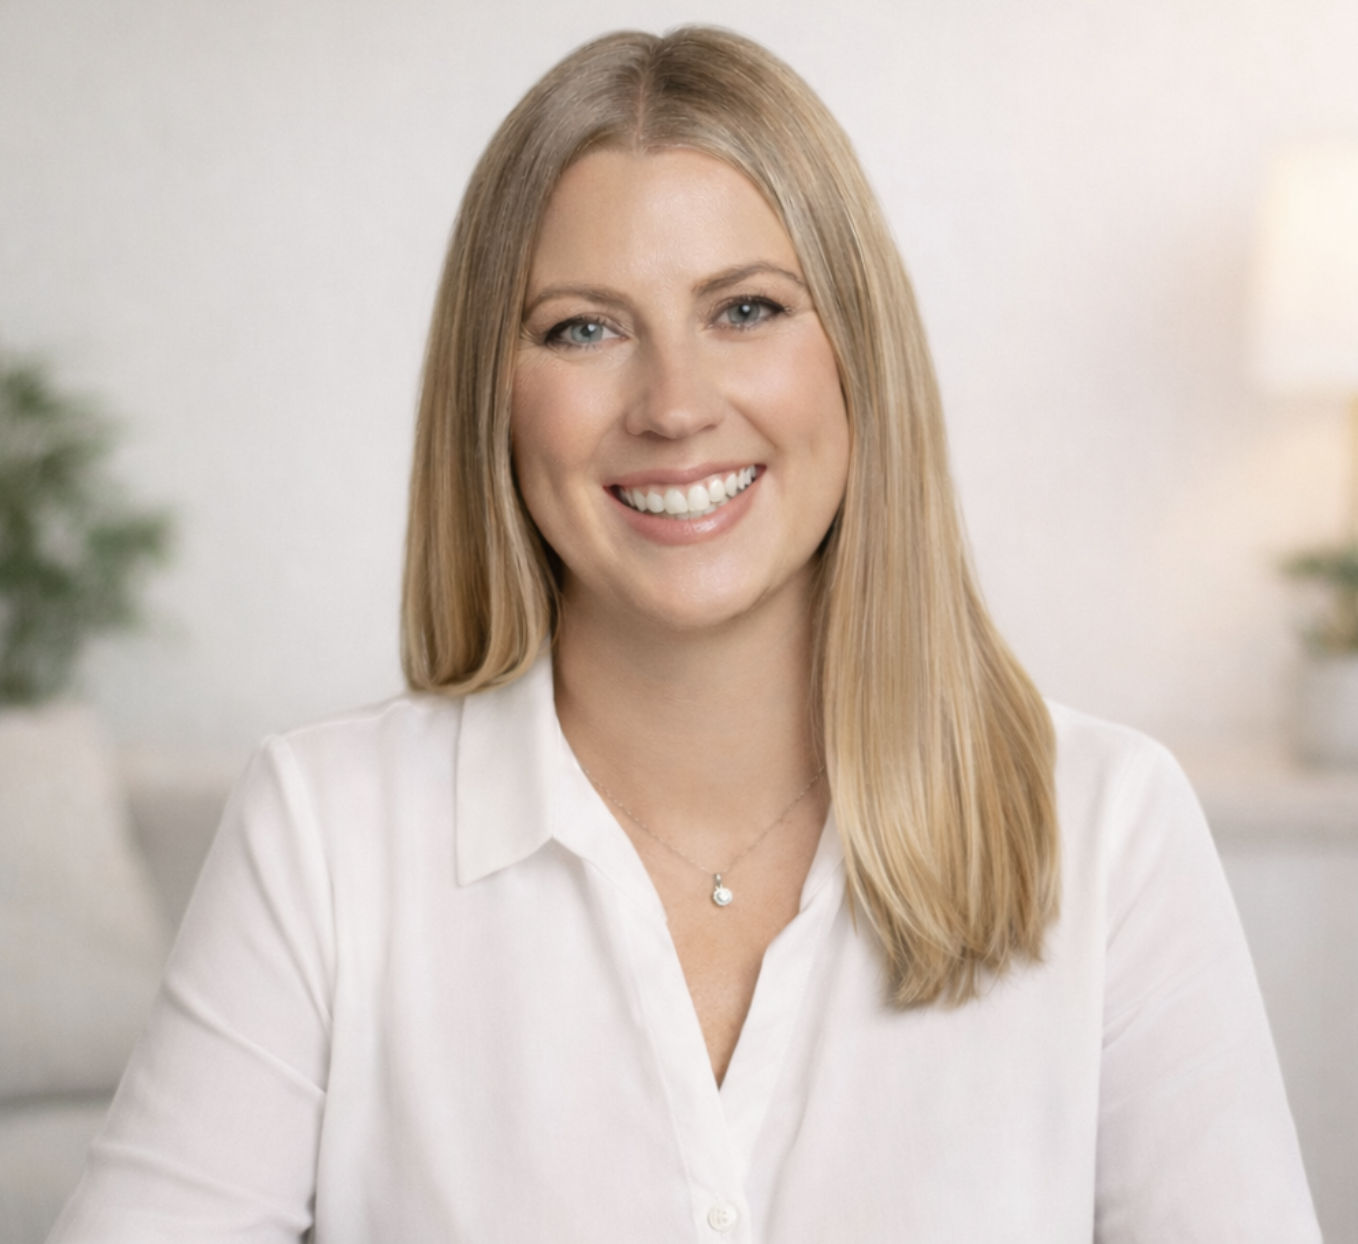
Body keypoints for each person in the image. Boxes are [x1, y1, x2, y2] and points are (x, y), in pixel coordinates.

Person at [51, 26, 1319, 1243]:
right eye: (584, 328)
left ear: (857, 355)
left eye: (746, 309)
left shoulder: (1104, 827)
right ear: (493, 397)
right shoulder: (323, 834)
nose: (671, 405)